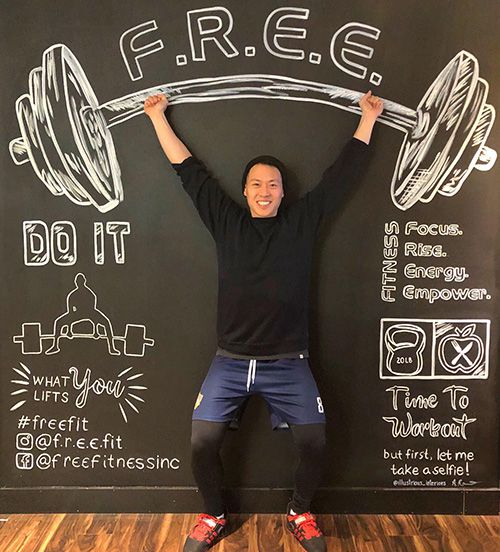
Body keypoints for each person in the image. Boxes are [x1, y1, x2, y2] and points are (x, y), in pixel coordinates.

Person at [144, 91, 383, 552]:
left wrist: (367, 119)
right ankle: (213, 514)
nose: (264, 191)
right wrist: (157, 117)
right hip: (230, 361)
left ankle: (299, 511)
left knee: (314, 440)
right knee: (201, 442)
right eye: (256, 183)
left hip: (287, 361)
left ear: (282, 191)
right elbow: (189, 171)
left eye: (272, 184)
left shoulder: (302, 223)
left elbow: (341, 177)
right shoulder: (226, 221)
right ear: (245, 189)